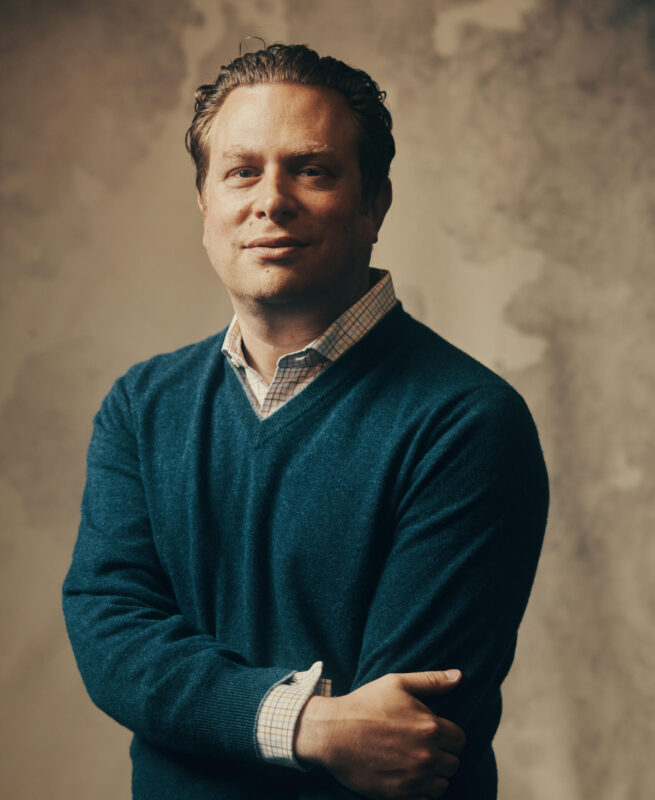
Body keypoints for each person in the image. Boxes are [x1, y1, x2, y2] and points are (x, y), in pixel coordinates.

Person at [62, 44, 548, 800]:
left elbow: (400, 739)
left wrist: (205, 714)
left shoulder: (467, 421)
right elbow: (111, 635)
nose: (271, 201)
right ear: (204, 205)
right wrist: (305, 726)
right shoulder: (141, 405)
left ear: (374, 204)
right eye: (241, 171)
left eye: (312, 170)